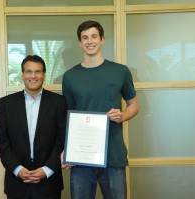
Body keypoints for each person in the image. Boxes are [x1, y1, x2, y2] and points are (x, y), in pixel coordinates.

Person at [62, 20, 139, 199]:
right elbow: (67, 117)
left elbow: (134, 104)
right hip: (81, 157)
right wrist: (66, 150)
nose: (90, 41)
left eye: (94, 36)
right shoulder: (70, 77)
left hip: (113, 155)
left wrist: (123, 116)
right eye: (85, 38)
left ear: (102, 39)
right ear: (80, 43)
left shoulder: (120, 71)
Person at [0, 55, 67, 199]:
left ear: (44, 75)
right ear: (22, 75)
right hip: (17, 182)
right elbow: (2, 142)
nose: (33, 76)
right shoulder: (6, 104)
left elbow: (62, 139)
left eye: (37, 72)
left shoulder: (59, 102)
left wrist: (46, 170)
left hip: (49, 182)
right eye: (28, 71)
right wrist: (18, 169)